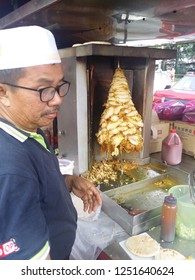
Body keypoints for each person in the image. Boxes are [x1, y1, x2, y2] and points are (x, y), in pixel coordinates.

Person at [0, 25, 102, 260]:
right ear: (3, 92)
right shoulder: (9, 168)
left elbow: (36, 185)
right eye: (44, 89)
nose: (57, 99)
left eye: (58, 86)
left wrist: (68, 182)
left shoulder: (28, 129)